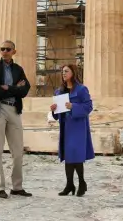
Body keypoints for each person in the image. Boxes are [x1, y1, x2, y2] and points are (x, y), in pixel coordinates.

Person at [0, 40, 32, 199]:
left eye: (8, 49)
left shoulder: (18, 69)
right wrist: (15, 89)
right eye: (2, 49)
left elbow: (25, 90)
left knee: (18, 150)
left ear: (14, 51)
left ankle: (17, 187)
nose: (4, 51)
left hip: (14, 109)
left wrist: (7, 87)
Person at [50, 64, 94, 197]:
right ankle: (69, 185)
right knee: (68, 156)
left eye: (66, 71)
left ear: (73, 73)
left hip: (78, 127)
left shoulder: (81, 89)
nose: (64, 74)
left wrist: (73, 106)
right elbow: (57, 115)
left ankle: (81, 183)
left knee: (76, 155)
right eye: (62, 72)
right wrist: (53, 110)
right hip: (65, 127)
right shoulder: (59, 91)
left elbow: (88, 106)